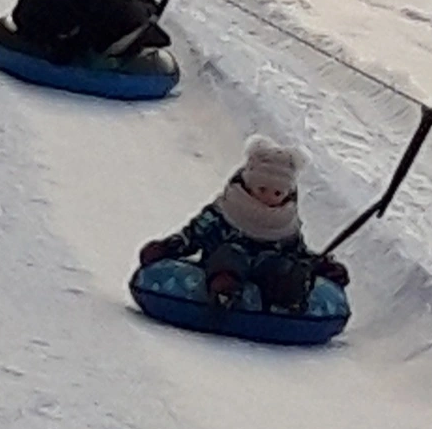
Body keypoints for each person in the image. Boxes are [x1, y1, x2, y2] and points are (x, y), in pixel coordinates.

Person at [138, 135, 345, 314]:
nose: (268, 198)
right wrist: (168, 247)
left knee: (280, 265)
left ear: (286, 194)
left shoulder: (285, 223)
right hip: (226, 262)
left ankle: (288, 299)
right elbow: (194, 235)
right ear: (249, 184)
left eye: (277, 193)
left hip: (266, 267)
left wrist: (319, 266)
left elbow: (297, 252)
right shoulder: (225, 210)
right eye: (262, 189)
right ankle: (224, 291)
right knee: (230, 253)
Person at [12, 0, 170, 64]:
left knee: (133, 33)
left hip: (115, 15)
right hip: (97, 5)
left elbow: (75, 46)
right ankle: (145, 7)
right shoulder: (45, 8)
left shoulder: (90, 15)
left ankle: (146, 9)